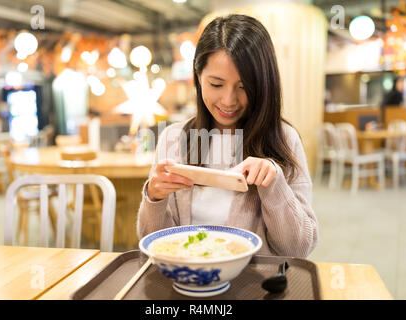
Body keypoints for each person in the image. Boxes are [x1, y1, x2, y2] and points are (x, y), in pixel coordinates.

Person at [136, 14, 318, 258]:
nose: (229, 101)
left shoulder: (283, 138)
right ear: (198, 78)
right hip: (187, 282)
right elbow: (155, 245)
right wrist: (155, 197)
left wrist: (273, 184)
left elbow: (298, 249)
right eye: (216, 84)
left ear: (264, 84)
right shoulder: (174, 138)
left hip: (255, 286)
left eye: (244, 87)